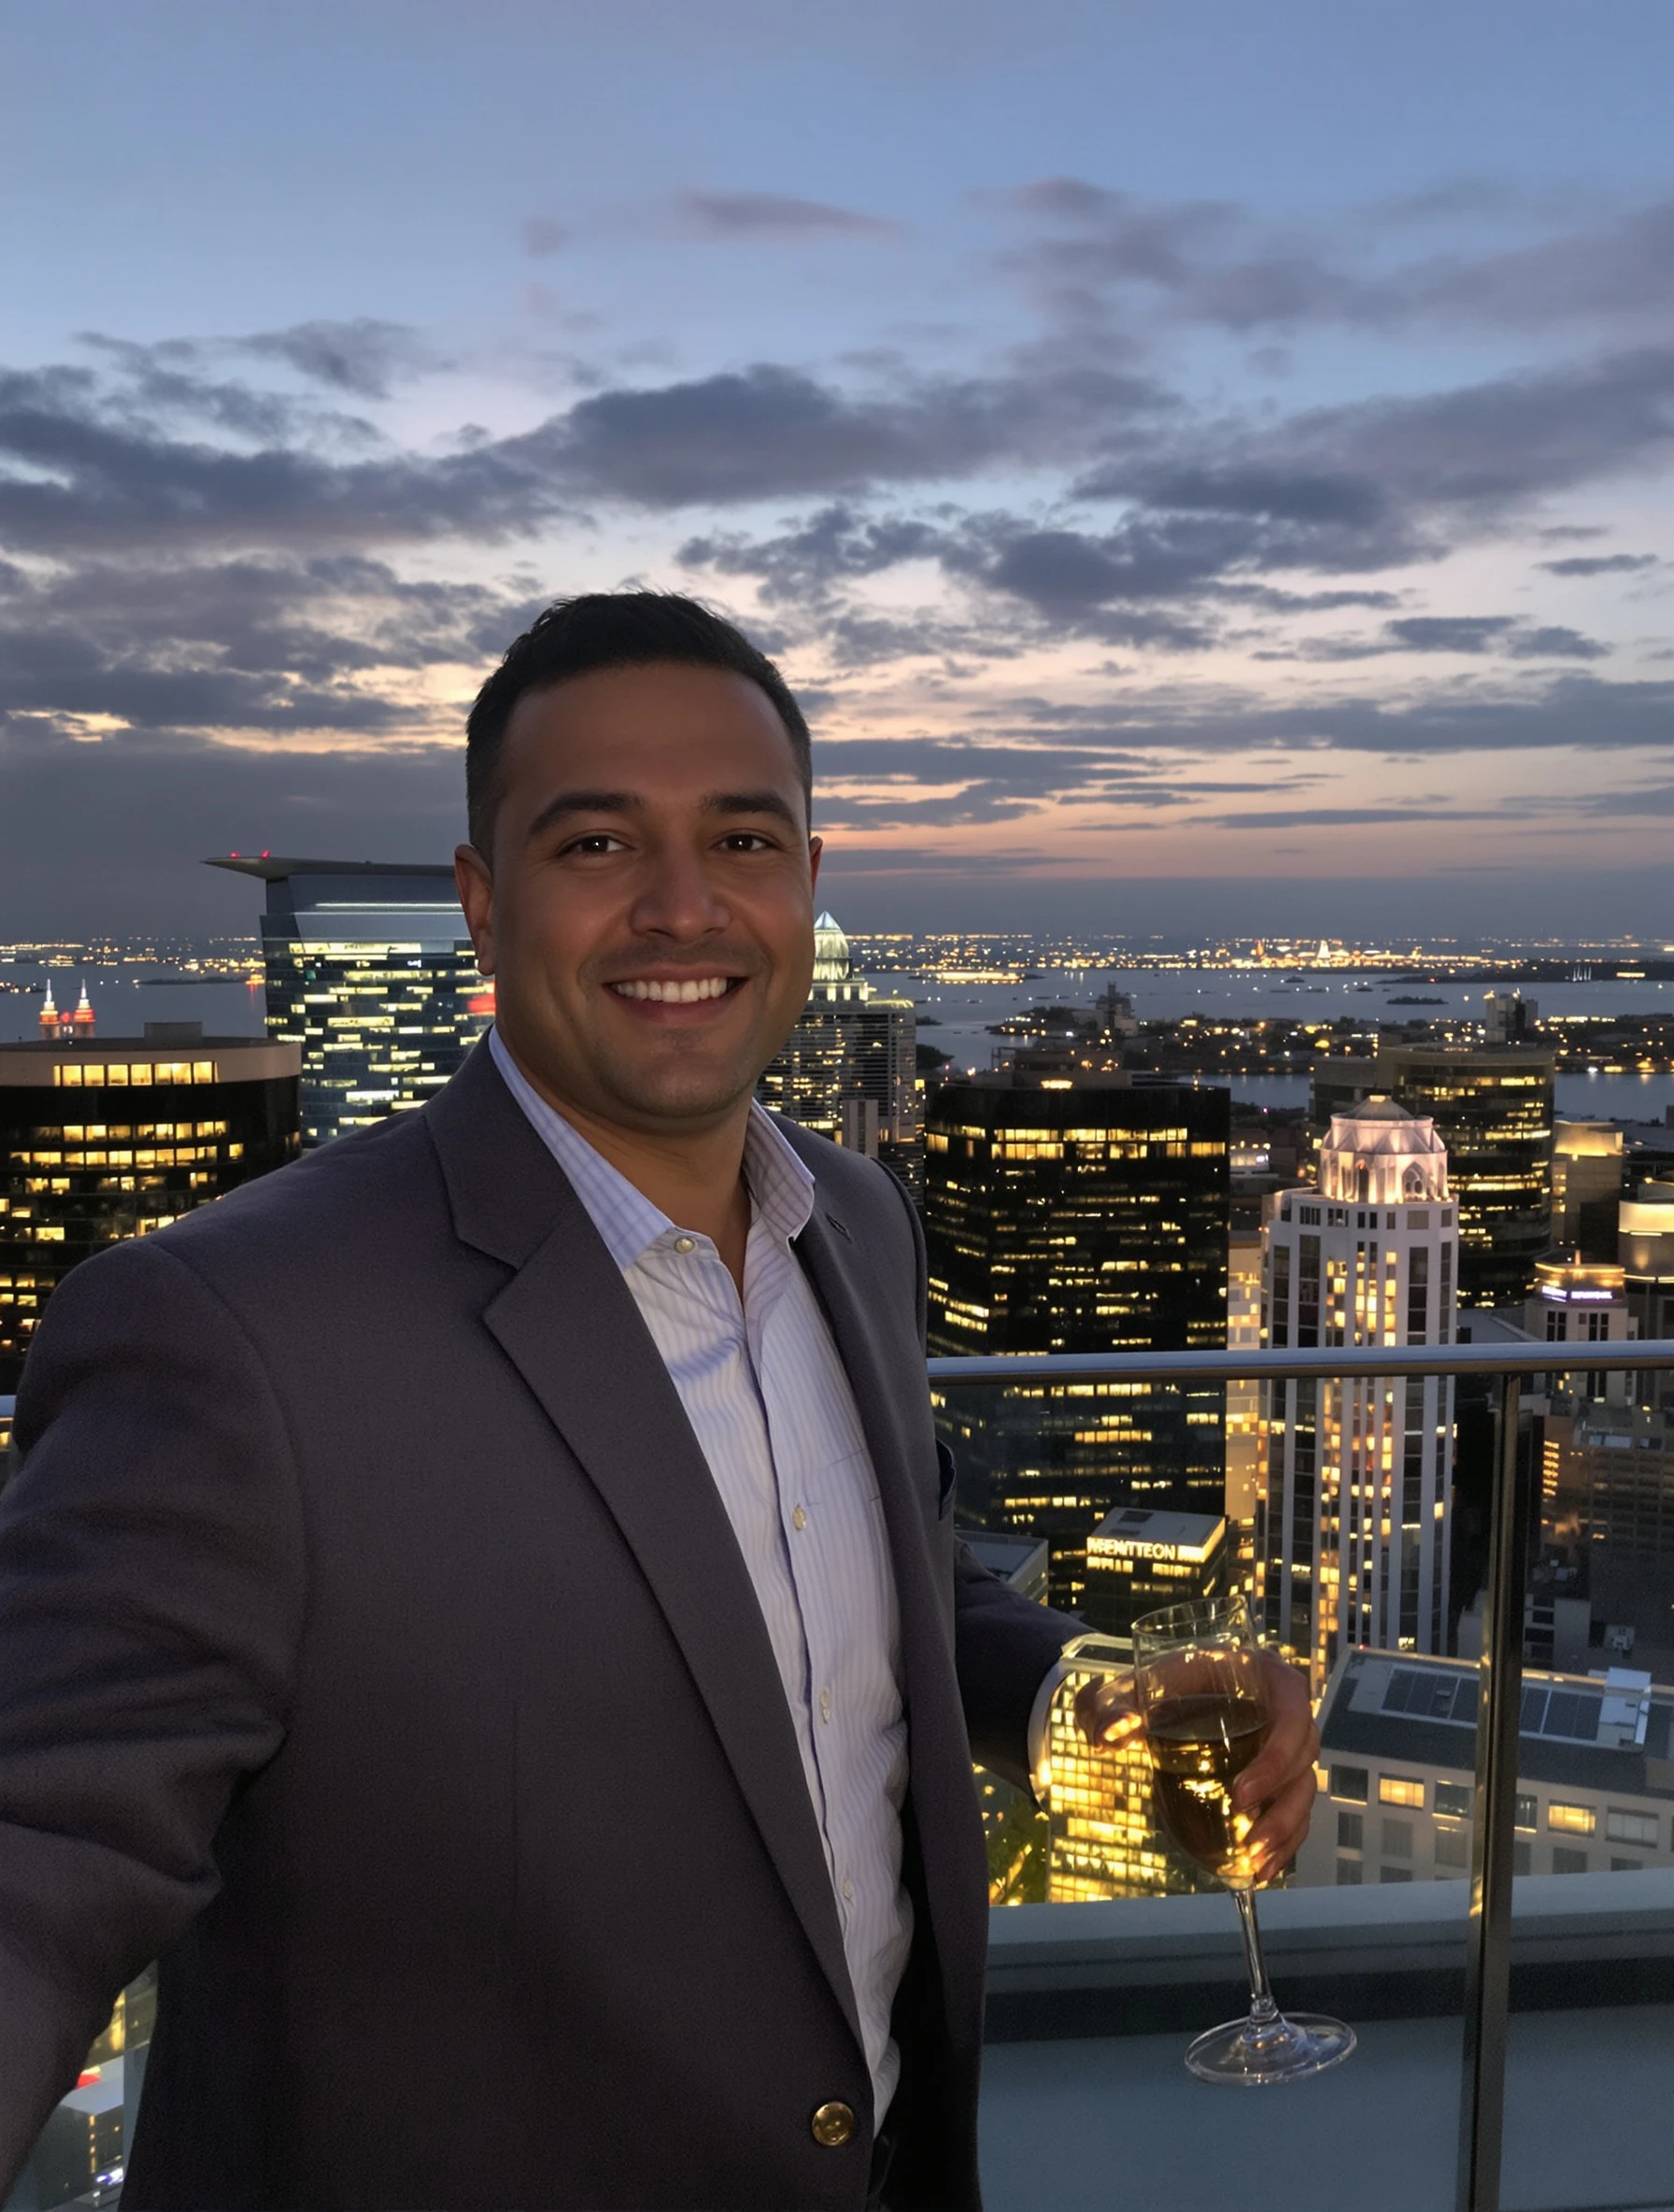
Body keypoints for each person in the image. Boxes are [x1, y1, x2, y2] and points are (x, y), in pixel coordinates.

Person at [0, 594, 1317, 2210]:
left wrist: (1082, 1694)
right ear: (484, 905)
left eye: (742, 841)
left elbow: (879, 1575)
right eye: (598, 844)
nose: (684, 907)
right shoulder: (233, 1328)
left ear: (809, 883)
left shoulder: (856, 1219)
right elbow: (43, 1846)